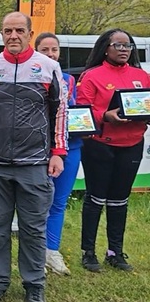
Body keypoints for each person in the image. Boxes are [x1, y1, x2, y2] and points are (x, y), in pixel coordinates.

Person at [0, 12, 67, 302]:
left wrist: (58, 152)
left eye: (19, 30)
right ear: (1, 34)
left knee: (33, 230)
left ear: (29, 33)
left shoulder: (48, 67)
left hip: (35, 163)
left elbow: (59, 112)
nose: (13, 36)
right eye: (7, 30)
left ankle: (34, 285)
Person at [76, 29, 149, 273]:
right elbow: (82, 110)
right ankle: (88, 252)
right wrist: (105, 116)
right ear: (105, 48)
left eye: (128, 45)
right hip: (100, 145)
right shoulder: (91, 76)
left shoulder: (142, 76)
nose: (124, 49)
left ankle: (114, 252)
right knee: (96, 198)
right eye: (118, 45)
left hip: (132, 144)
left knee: (120, 200)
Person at [34, 32, 81, 276]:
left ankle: (51, 251)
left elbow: (75, 112)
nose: (50, 54)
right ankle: (35, 253)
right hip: (39, 149)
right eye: (45, 50)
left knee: (59, 202)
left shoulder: (69, 80)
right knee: (37, 203)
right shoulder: (28, 77)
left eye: (54, 49)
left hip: (70, 147)